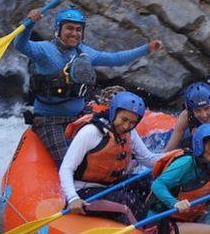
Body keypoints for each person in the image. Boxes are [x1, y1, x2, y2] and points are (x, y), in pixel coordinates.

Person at [14, 6, 163, 164]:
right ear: (58, 30)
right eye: (69, 28)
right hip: (49, 120)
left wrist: (147, 48)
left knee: (108, 146)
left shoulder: (85, 53)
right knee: (71, 163)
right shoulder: (44, 50)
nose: (74, 33)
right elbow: (20, 45)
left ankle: (146, 158)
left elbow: (116, 59)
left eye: (78, 29)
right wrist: (29, 23)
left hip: (79, 116)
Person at [59, 91, 161, 224]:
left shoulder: (130, 133)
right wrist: (73, 198)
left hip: (110, 185)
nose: (126, 126)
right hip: (83, 191)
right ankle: (150, 233)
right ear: (113, 112)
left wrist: (173, 159)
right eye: (123, 119)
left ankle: (163, 216)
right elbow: (66, 168)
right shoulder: (91, 132)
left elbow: (147, 159)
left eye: (132, 123)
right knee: (131, 202)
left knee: (152, 182)